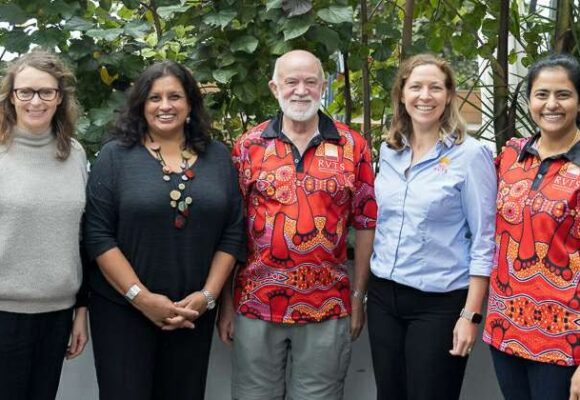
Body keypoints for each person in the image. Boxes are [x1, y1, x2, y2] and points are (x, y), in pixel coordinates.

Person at [217, 49, 377, 400]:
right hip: (254, 304)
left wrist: (359, 296)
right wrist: (226, 304)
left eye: (310, 81)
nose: (300, 90)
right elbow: (231, 229)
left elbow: (366, 224)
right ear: (275, 88)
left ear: (324, 86)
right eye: (291, 82)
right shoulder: (248, 146)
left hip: (328, 305)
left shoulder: (354, 146)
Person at [83, 61, 245, 400]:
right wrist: (141, 298)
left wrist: (207, 297)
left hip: (190, 314)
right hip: (122, 313)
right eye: (154, 97)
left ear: (190, 104)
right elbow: (98, 235)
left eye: (175, 96)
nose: (165, 105)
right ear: (141, 104)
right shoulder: (115, 157)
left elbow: (232, 232)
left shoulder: (217, 157)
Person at [368, 53, 497, 400]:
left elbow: (485, 239)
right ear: (401, 95)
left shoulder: (471, 156)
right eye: (416, 87)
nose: (425, 96)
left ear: (449, 96)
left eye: (435, 88)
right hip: (383, 297)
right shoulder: (389, 151)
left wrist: (470, 315)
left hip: (439, 303)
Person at [484, 53, 580, 400]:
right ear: (529, 100)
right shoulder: (511, 155)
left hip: (565, 338)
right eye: (542, 94)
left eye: (563, 94)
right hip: (504, 327)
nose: (551, 104)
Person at [0, 50, 89, 399]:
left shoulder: (76, 154)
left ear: (59, 97)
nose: (35, 101)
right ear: (11, 96)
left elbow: (82, 237)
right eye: (26, 92)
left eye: (46, 92)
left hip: (57, 314)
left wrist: (81, 309)